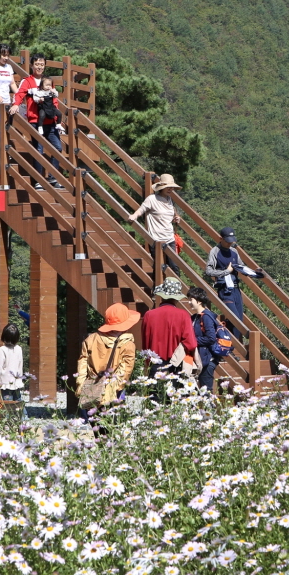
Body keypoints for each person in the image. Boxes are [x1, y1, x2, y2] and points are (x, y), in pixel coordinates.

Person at [76, 302, 139, 433]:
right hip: (114, 389)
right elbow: (126, 370)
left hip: (93, 385)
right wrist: (114, 387)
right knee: (114, 428)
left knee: (97, 428)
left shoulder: (91, 339)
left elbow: (82, 363)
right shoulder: (127, 344)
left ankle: (100, 447)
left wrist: (81, 384)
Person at [10, 53, 62, 189]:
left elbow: (54, 101)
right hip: (35, 121)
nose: (39, 67)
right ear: (32, 65)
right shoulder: (27, 81)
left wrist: (57, 119)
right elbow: (20, 94)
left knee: (58, 147)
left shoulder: (49, 81)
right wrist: (16, 104)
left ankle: (53, 178)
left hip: (50, 122)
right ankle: (38, 180)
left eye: (42, 64)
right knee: (38, 150)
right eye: (37, 64)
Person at [204, 227, 259, 341]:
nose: (230, 243)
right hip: (225, 290)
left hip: (236, 289)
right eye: (227, 240)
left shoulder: (234, 251)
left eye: (231, 241)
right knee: (235, 319)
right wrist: (226, 272)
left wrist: (254, 272)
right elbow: (209, 271)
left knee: (240, 320)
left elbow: (241, 266)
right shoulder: (215, 251)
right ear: (221, 238)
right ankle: (229, 346)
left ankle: (232, 345)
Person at [141, 277, 197, 379]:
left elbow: (145, 344)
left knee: (155, 394)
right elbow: (191, 344)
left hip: (154, 366)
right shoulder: (183, 315)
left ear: (162, 295)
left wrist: (146, 363)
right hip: (175, 366)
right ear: (177, 298)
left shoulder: (149, 315)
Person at [129, 174, 182, 275]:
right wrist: (134, 216)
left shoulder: (170, 200)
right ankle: (157, 289)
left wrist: (176, 218)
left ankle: (177, 289)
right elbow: (142, 209)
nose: (170, 189)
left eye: (172, 187)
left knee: (174, 267)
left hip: (170, 238)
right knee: (159, 267)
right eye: (168, 187)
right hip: (156, 238)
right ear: (161, 187)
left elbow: (171, 214)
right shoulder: (152, 199)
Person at [187, 286, 222, 392]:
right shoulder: (195, 317)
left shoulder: (206, 317)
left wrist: (193, 341)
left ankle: (209, 409)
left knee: (206, 392)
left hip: (207, 359)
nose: (189, 302)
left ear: (199, 301)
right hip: (200, 358)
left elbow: (211, 338)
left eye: (191, 299)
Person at [0, 323, 24, 402]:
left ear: (4, 336)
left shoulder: (2, 349)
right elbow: (20, 366)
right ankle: (24, 415)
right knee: (18, 404)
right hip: (16, 383)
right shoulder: (19, 349)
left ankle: (9, 415)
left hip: (5, 383)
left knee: (7, 405)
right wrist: (20, 380)